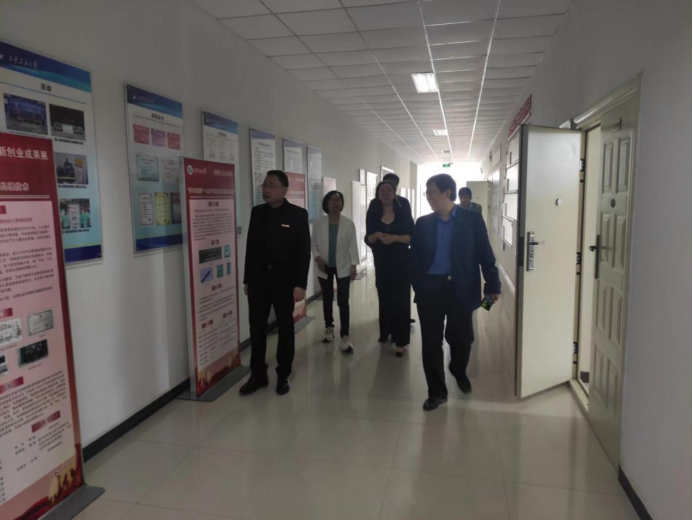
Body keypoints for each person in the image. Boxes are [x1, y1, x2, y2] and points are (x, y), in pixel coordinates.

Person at [411, 174, 501, 411]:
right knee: (431, 343)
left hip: (461, 288)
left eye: (432, 192)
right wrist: (418, 284)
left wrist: (492, 285)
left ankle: (458, 369)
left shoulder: (471, 220)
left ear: (447, 193)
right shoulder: (423, 223)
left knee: (462, 338)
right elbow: (415, 258)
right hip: (430, 289)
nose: (428, 197)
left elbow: (485, 254)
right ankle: (437, 392)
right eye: (427, 193)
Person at [241, 170, 311, 397]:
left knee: (285, 327)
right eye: (264, 185)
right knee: (257, 329)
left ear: (284, 189)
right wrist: (247, 279)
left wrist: (301, 284)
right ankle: (258, 374)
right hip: (259, 283)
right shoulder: (257, 212)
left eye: (271, 185)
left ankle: (283, 373)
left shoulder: (298, 215)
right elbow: (251, 248)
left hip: (285, 283)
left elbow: (304, 252)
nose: (266, 189)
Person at [366, 181, 414, 357]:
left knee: (400, 300)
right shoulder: (374, 211)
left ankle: (400, 341)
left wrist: (393, 238)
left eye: (388, 190)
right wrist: (376, 235)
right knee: (384, 297)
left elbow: (411, 237)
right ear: (378, 193)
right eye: (382, 190)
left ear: (394, 193)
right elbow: (368, 238)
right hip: (382, 262)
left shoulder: (403, 210)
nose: (385, 193)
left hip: (401, 262)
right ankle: (386, 331)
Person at [312, 191, 360, 354]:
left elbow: (353, 245)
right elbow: (314, 244)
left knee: (343, 300)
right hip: (324, 265)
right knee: (327, 298)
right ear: (326, 203)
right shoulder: (318, 223)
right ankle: (329, 327)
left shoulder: (348, 223)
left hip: (343, 266)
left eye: (338, 200)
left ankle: (345, 335)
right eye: (332, 200)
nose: (335, 203)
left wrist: (353, 266)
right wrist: (318, 258)